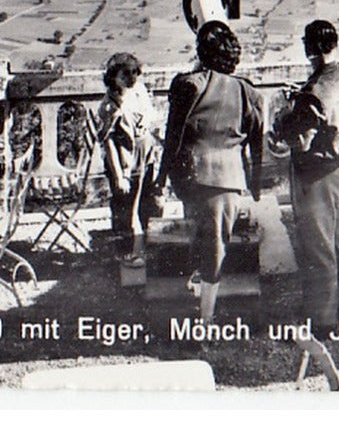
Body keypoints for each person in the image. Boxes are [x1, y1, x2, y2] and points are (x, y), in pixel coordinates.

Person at [159, 22, 263, 326]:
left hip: (193, 176)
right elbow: (256, 144)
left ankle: (202, 319)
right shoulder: (248, 92)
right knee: (216, 246)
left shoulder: (188, 84)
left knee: (203, 244)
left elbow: (173, 137)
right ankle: (205, 311)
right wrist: (255, 185)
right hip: (230, 180)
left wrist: (161, 177)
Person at [273, 20, 339, 336]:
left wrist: (286, 113)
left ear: (308, 47)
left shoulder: (313, 92)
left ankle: (322, 321)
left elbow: (298, 140)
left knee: (318, 247)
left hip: (317, 174)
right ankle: (338, 307)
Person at [91, 52, 163, 263]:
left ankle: (154, 250)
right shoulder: (109, 106)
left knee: (153, 203)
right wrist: (119, 176)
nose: (131, 78)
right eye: (125, 74)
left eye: (134, 72)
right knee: (125, 210)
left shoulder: (139, 91)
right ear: (113, 77)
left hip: (147, 155)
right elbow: (109, 143)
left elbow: (151, 119)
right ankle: (125, 256)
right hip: (125, 162)